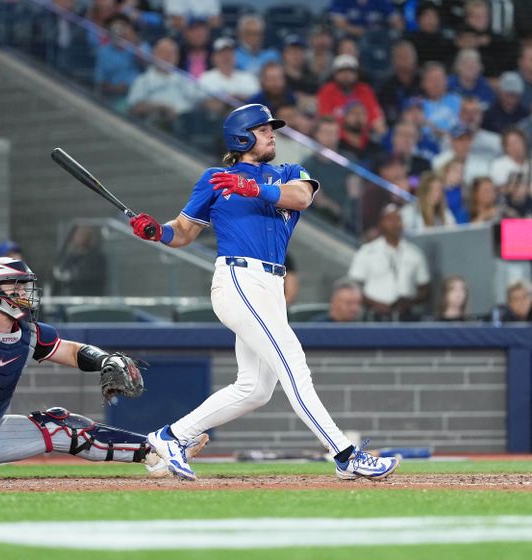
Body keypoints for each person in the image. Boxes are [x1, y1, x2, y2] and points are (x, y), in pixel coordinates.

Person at [127, 103, 400, 481]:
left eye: (271, 128)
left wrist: (253, 187)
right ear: (241, 137)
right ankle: (346, 455)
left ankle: (171, 436)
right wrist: (157, 231)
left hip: (272, 285)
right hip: (238, 279)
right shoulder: (216, 178)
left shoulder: (288, 173)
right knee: (293, 361)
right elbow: (184, 231)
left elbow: (302, 197)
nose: (272, 133)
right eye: (263, 129)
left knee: (254, 389)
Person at [0, 256, 209, 481]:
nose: (23, 293)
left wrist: (106, 360)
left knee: (65, 427)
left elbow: (71, 351)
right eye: (15, 287)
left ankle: (154, 454)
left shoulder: (29, 332)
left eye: (23, 286)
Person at [348, 203, 430, 321]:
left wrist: (409, 302)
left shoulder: (415, 253)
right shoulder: (367, 252)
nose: (395, 224)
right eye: (390, 220)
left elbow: (425, 288)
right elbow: (354, 286)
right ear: (381, 223)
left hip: (406, 315)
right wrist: (376, 304)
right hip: (374, 315)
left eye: (398, 219)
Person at [126, 37, 199, 130]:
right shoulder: (143, 80)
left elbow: (197, 102)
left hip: (186, 124)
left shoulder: (184, 79)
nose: (167, 57)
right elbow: (134, 108)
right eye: (163, 52)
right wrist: (160, 107)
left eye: (171, 53)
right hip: (157, 125)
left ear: (177, 57)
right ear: (154, 54)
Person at [317, 54, 387, 138]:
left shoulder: (364, 90)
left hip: (363, 137)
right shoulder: (327, 91)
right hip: (337, 138)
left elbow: (374, 117)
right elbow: (326, 119)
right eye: (342, 71)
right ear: (335, 74)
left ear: (357, 74)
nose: (346, 75)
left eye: (350, 71)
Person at [52, 224, 107, 296]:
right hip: (68, 299)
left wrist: (72, 276)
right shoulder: (67, 257)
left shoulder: (98, 257)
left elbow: (95, 278)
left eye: (84, 234)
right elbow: (59, 278)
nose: (81, 237)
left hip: (89, 299)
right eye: (78, 234)